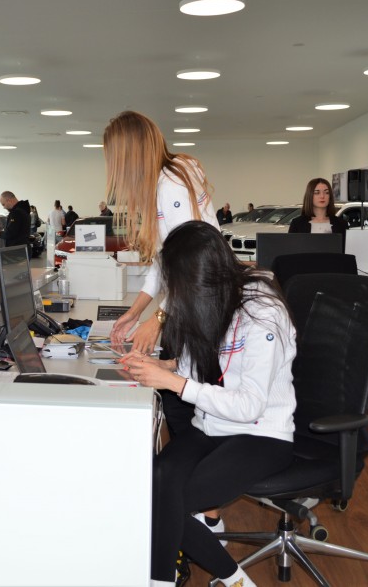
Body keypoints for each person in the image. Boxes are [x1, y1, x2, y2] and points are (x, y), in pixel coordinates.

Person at [120, 221, 296, 587]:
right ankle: (183, 580)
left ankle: (228, 581)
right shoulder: (211, 299)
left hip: (261, 434)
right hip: (212, 424)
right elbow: (203, 366)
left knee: (169, 503)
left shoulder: (262, 313)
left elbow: (249, 406)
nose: (174, 295)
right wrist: (165, 367)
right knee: (153, 486)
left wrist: (173, 383)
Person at [105, 111, 218, 354]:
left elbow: (195, 266)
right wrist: (135, 312)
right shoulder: (164, 182)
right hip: (186, 305)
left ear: (130, 155)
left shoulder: (172, 186)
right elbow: (164, 259)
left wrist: (157, 320)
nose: (114, 169)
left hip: (200, 307)